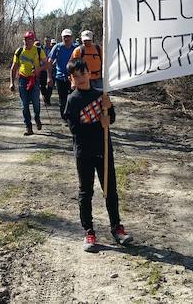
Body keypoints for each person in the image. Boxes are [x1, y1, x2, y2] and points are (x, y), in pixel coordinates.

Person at [63, 59, 132, 252]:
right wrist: (98, 124)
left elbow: (112, 119)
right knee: (86, 192)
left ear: (89, 74)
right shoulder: (73, 100)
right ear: (72, 78)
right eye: (75, 75)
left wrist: (108, 108)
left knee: (110, 190)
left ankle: (117, 228)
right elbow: (75, 129)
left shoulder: (100, 95)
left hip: (104, 150)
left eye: (82, 73)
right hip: (84, 152)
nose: (80, 78)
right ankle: (89, 231)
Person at [10, 30, 48, 135]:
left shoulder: (39, 51)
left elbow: (47, 63)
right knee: (24, 105)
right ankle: (28, 127)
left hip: (34, 80)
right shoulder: (19, 51)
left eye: (30, 40)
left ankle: (37, 117)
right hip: (22, 80)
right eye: (26, 40)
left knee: (36, 103)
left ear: (33, 40)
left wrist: (39, 70)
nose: (27, 42)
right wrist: (11, 82)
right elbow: (13, 68)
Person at [47, 29, 76, 119]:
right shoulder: (57, 47)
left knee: (73, 99)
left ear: (72, 38)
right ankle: (64, 117)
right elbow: (49, 62)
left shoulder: (76, 48)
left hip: (73, 78)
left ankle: (72, 117)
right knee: (62, 99)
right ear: (62, 38)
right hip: (60, 77)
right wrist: (49, 77)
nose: (66, 39)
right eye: (64, 37)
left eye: (68, 37)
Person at [39, 36, 54, 106]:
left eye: (48, 41)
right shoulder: (40, 49)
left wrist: (54, 62)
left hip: (51, 69)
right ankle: (45, 97)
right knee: (42, 85)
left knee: (50, 85)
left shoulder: (53, 48)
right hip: (43, 69)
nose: (47, 42)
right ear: (44, 41)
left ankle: (47, 98)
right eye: (46, 41)